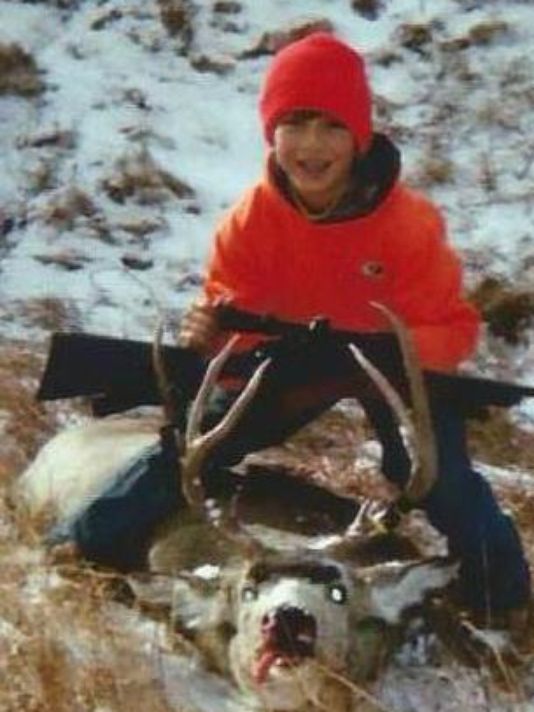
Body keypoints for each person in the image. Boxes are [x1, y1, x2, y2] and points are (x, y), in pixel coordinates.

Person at [50, 31, 530, 635]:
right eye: (294, 123)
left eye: (332, 126)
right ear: (270, 133)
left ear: (360, 137)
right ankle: (73, 551)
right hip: (290, 361)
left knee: (438, 478)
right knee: (189, 452)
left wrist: (404, 348)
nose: (311, 146)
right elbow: (234, 316)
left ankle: (504, 599)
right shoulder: (249, 223)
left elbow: (456, 329)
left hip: (387, 366)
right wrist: (212, 332)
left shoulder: (408, 225)